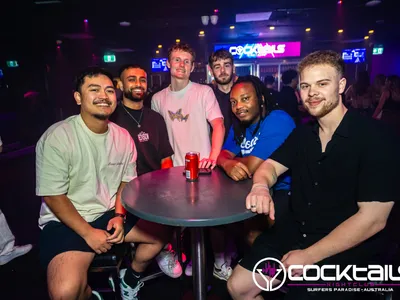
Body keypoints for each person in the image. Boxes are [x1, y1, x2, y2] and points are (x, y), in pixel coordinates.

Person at [227, 50, 399, 300]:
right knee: (239, 286)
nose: (312, 93)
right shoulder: (303, 134)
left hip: (345, 246)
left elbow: (373, 219)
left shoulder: (375, 137)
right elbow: (269, 167)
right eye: (306, 85)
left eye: (322, 83)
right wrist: (261, 187)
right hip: (296, 230)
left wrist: (308, 256)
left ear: (341, 85)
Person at [36, 67, 172, 300]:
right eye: (94, 89)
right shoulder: (58, 136)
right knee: (65, 293)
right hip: (66, 220)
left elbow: (125, 183)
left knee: (163, 232)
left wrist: (119, 215)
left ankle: (130, 278)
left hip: (108, 212)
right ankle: (89, 293)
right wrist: (88, 233)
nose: (103, 95)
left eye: (109, 90)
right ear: (78, 97)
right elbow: (53, 196)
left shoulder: (122, 137)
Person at [110, 64, 181, 278]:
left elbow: (165, 158)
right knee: (155, 228)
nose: (138, 84)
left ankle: (162, 248)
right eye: (131, 79)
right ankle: (160, 247)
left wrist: (166, 186)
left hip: (154, 186)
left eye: (142, 79)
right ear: (120, 84)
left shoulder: (155, 117)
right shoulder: (112, 118)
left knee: (179, 209)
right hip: (122, 189)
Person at [151, 43, 225, 169]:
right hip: (173, 171)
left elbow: (219, 125)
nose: (181, 65)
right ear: (168, 64)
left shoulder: (204, 92)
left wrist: (212, 159)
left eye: (186, 61)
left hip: (203, 168)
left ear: (192, 67)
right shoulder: (157, 99)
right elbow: (158, 137)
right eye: (177, 60)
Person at [208, 49, 237, 143]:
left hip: (244, 154)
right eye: (217, 67)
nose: (222, 70)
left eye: (227, 65)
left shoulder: (245, 94)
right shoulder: (207, 97)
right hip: (215, 153)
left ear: (233, 68)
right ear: (211, 71)